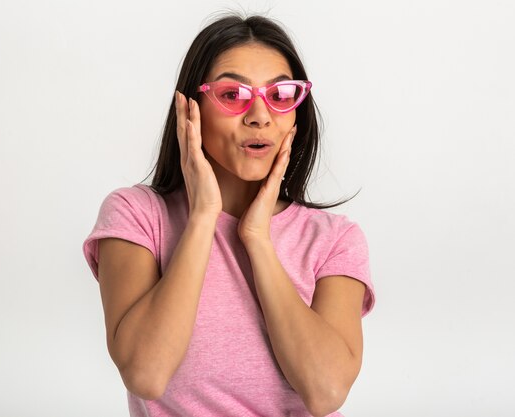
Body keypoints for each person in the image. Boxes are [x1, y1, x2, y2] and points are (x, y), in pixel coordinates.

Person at [82, 12, 375, 417]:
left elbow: (325, 392)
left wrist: (257, 238)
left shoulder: (334, 238)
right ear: (190, 107)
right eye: (233, 95)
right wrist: (204, 215)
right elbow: (145, 373)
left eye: (281, 94)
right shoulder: (136, 216)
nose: (260, 115)